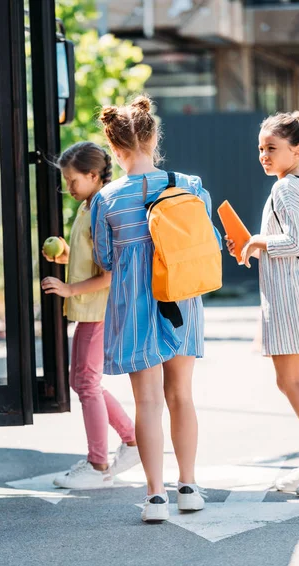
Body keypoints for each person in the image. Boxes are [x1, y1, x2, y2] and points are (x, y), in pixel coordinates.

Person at [91, 96, 221, 521]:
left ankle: (155, 497)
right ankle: (189, 486)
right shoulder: (190, 184)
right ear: (154, 137)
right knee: (182, 395)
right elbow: (210, 245)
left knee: (147, 402)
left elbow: (107, 261)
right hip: (182, 300)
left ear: (114, 148)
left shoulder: (106, 199)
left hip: (135, 309)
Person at [41, 142, 140, 490]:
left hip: (99, 310)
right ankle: (130, 441)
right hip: (92, 310)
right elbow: (93, 262)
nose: (67, 186)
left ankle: (100, 465)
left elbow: (110, 273)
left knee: (85, 383)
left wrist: (68, 289)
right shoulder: (88, 206)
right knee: (85, 382)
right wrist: (68, 258)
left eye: (72, 180)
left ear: (94, 175)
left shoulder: (100, 209)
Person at [226, 112, 299, 496]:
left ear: (298, 150)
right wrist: (251, 247)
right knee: (293, 382)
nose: (264, 155)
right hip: (291, 290)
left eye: (272, 148)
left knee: (289, 381)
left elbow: (297, 243)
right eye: (261, 148)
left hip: (290, 299)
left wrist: (256, 241)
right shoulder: (294, 185)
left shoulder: (287, 188)